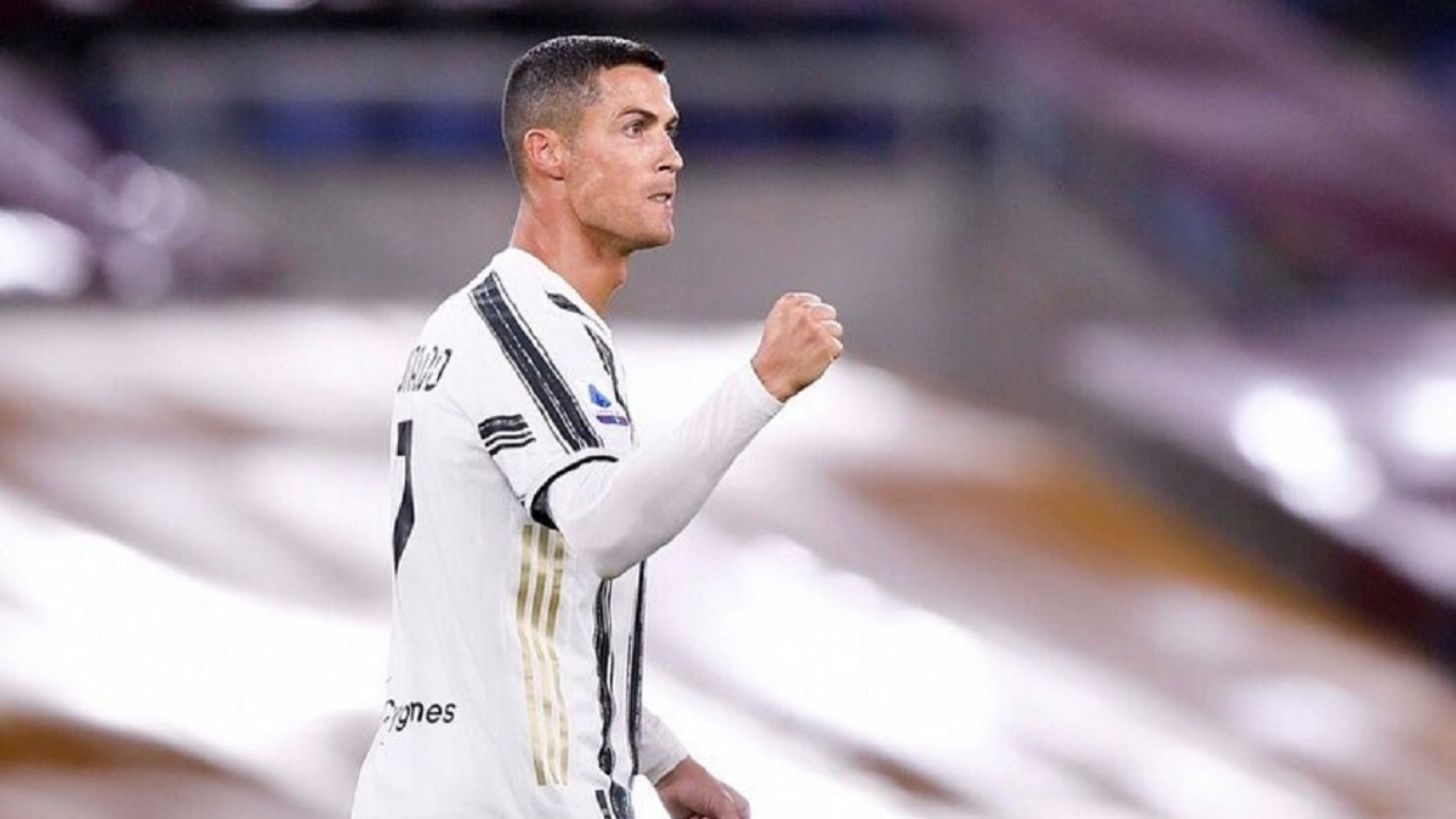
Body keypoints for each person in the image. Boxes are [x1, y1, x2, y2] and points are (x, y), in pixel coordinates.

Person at [350, 35, 842, 819]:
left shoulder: (499, 322)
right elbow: (605, 530)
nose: (671, 157)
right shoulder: (524, 327)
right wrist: (763, 382)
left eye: (670, 130)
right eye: (635, 127)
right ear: (548, 154)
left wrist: (661, 756)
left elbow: (527, 608)